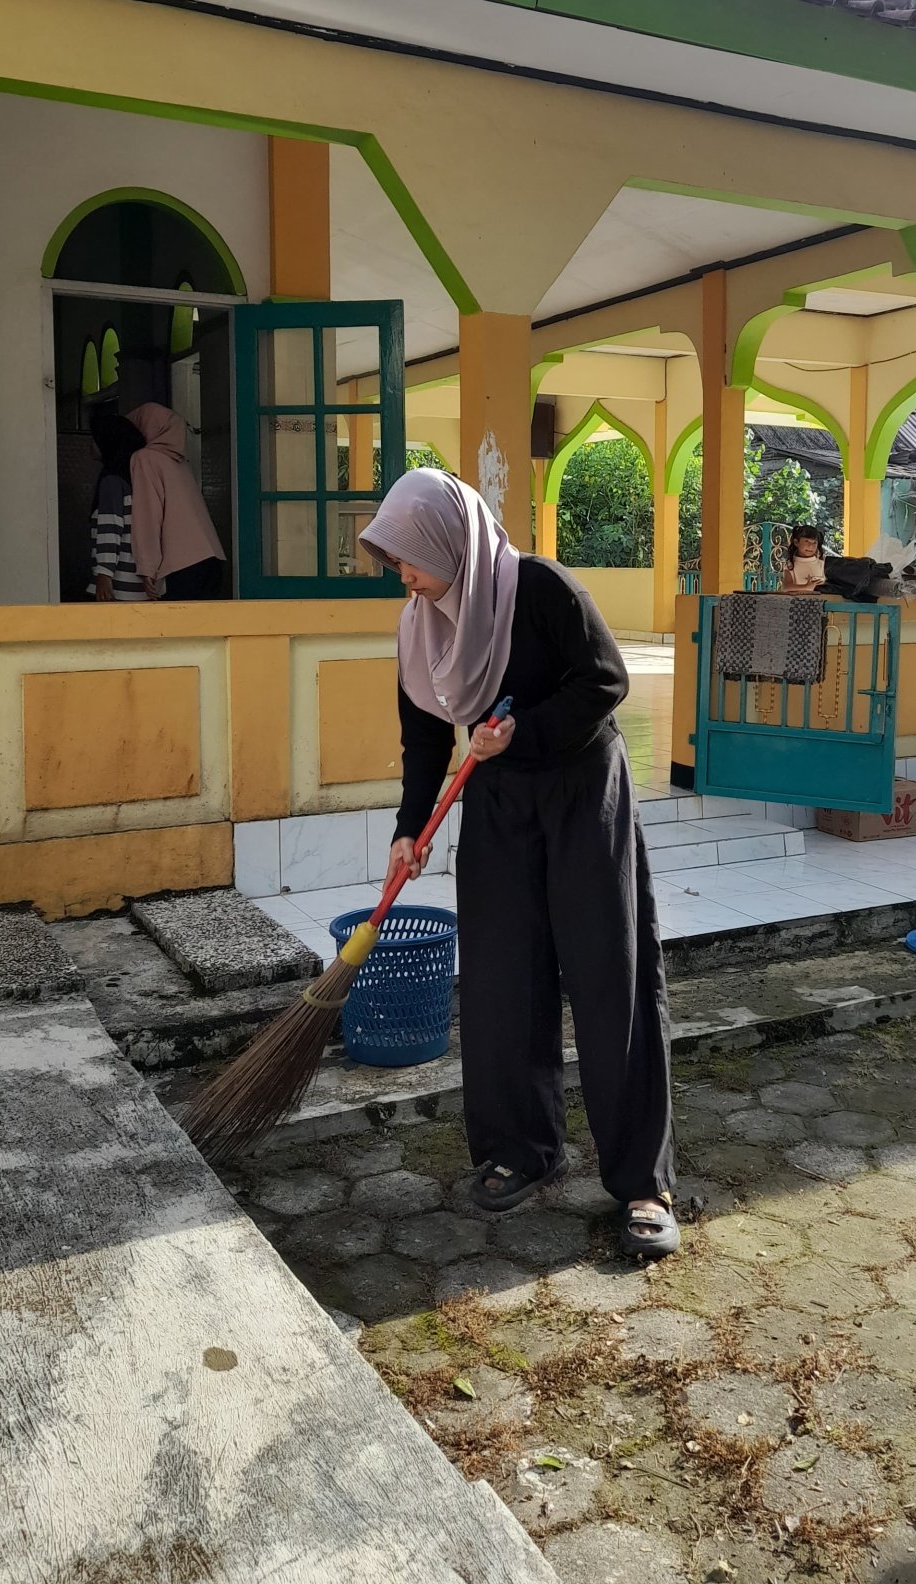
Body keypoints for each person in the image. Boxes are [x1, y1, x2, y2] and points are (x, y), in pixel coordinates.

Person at [360, 468, 679, 1258]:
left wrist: (524, 732)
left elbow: (607, 680)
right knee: (505, 977)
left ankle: (643, 1179)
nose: (400, 572)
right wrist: (410, 826)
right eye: (393, 557)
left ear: (448, 540)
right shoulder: (421, 624)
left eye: (408, 553)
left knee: (610, 977)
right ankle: (523, 1149)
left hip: (580, 792)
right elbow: (427, 732)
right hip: (498, 804)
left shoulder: (538, 587)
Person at [125, 403, 226, 600]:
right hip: (212, 559)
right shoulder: (179, 464)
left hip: (182, 565)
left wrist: (147, 567)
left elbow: (148, 515)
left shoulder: (145, 458)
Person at [86, 409, 146, 601]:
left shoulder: (111, 481)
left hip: (117, 584)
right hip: (140, 584)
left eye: (94, 438)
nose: (91, 444)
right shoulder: (137, 477)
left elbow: (109, 527)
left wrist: (103, 573)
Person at [780, 522, 827, 593]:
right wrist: (806, 587)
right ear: (796, 542)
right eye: (806, 541)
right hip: (798, 602)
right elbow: (786, 587)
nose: (811, 545)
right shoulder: (790, 565)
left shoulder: (823, 564)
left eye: (814, 542)